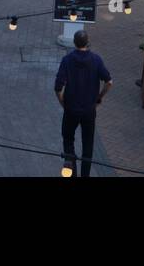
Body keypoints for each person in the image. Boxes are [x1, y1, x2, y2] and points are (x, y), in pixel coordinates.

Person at [54, 30, 113, 178]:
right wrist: (99, 97)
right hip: (89, 110)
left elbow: (58, 88)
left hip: (71, 110)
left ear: (74, 43)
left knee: (68, 139)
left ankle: (70, 168)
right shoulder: (96, 60)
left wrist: (63, 103)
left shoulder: (67, 60)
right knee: (88, 144)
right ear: (87, 42)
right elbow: (109, 82)